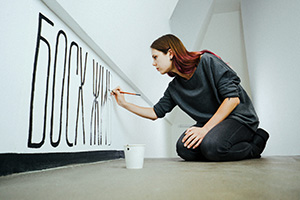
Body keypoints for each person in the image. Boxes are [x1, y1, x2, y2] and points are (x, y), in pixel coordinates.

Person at [111, 34, 269, 162]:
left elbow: (232, 100)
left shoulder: (207, 61)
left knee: (212, 146)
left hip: (239, 117)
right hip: (212, 124)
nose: (153, 63)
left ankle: (254, 145)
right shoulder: (175, 88)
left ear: (170, 53)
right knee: (184, 149)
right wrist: (124, 104)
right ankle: (214, 150)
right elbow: (155, 113)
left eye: (155, 57)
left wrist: (205, 130)